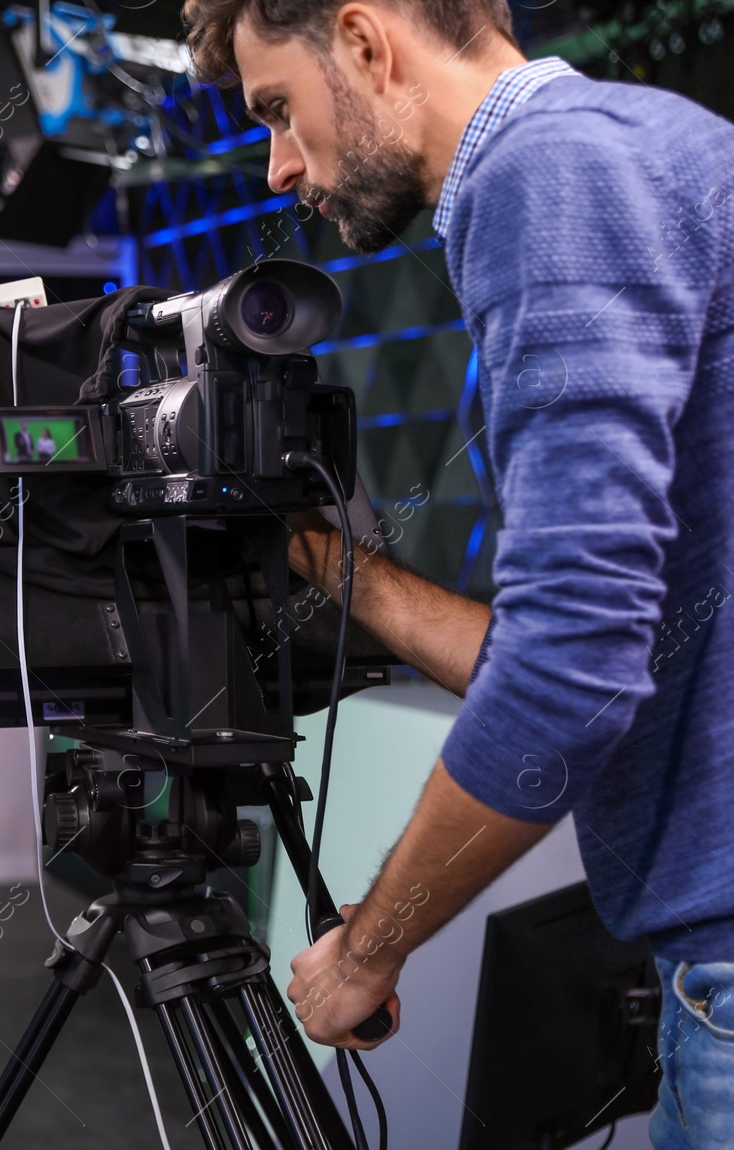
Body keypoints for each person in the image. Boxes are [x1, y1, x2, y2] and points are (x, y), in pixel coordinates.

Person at [185, 2, 734, 1146]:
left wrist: (368, 949)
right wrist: (327, 563)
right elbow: (604, 648)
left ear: (367, 39)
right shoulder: (651, 137)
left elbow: (570, 671)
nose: (281, 167)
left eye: (278, 110)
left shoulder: (544, 178)